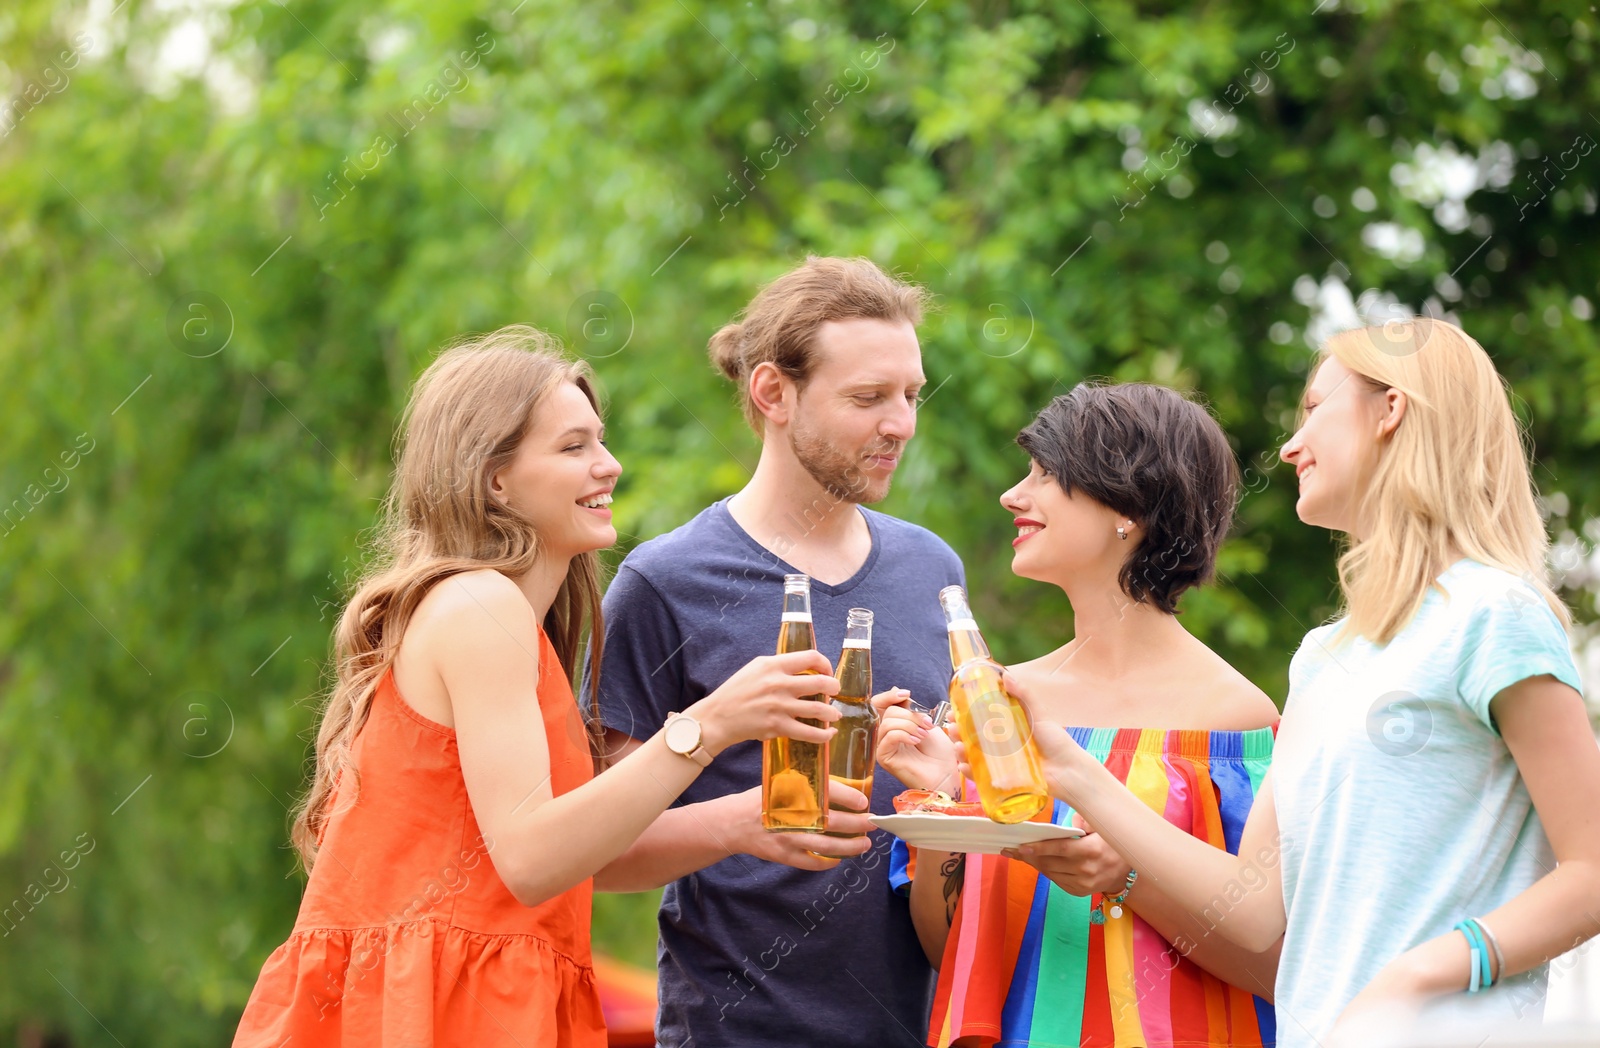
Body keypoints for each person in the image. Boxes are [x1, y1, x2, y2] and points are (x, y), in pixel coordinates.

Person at [233, 326, 845, 1047]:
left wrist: (752, 818)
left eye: (601, 442)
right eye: (573, 447)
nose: (609, 466)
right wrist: (707, 727)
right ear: (495, 479)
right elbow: (531, 859)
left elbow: (581, 849)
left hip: (478, 998)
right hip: (433, 1012)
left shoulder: (512, 624)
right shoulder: (480, 606)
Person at [1016, 320, 1600, 1043]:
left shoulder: (1494, 614)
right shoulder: (1323, 656)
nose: (1290, 446)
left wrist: (1423, 972)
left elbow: (1592, 870)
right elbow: (1257, 909)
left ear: (1391, 410)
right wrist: (1070, 771)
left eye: (1315, 408)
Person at [591, 256, 965, 1047]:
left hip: (927, 1026)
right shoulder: (665, 582)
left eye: (910, 395)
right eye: (868, 398)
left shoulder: (933, 568)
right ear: (773, 393)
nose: (899, 423)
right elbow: (599, 853)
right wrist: (746, 820)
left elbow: (967, 796)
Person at [876, 382, 1282, 1046]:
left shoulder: (1236, 723)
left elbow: (1274, 967)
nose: (1013, 495)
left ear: (1130, 507)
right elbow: (949, 951)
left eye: (1046, 474)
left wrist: (1124, 881)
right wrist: (944, 804)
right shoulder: (1003, 706)